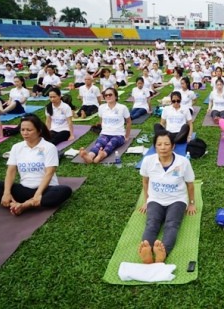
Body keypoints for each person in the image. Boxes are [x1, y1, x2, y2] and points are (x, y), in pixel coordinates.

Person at [0, 114, 72, 215]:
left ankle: (26, 205)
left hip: (46, 189)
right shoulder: (17, 147)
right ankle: (16, 204)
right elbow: (11, 171)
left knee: (64, 191)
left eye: (29, 130)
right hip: (25, 189)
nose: (25, 133)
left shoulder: (49, 147)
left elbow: (49, 173)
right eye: (22, 130)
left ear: (39, 131)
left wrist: (38, 194)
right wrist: (7, 193)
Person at [137, 130, 196, 264]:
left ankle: (163, 253)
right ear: (155, 146)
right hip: (155, 199)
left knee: (171, 224)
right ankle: (146, 251)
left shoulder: (183, 162)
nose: (163, 147)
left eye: (166, 144)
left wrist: (191, 203)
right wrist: (146, 200)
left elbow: (190, 184)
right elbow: (145, 181)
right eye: (159, 144)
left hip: (177, 200)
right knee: (152, 223)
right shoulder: (148, 161)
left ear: (173, 146)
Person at [79, 88, 131, 164]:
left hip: (118, 134)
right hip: (105, 133)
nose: (108, 96)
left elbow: (129, 122)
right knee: (99, 143)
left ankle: (102, 154)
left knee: (112, 143)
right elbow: (101, 121)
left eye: (110, 94)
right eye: (106, 95)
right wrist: (103, 131)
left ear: (116, 96)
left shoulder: (122, 108)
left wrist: (126, 136)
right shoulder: (102, 107)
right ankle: (89, 156)